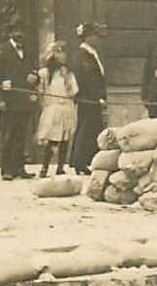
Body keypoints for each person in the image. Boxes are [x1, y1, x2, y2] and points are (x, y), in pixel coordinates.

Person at [0, 26, 37, 180]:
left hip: (24, 99)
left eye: (21, 31)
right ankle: (6, 170)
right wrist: (0, 99)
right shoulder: (2, 51)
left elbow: (34, 71)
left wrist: (35, 78)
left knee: (21, 135)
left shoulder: (28, 51)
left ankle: (19, 168)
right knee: (8, 135)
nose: (20, 34)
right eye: (16, 32)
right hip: (9, 100)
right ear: (10, 33)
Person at [35, 40, 79, 177]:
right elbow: (39, 89)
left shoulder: (69, 73)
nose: (63, 56)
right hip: (53, 108)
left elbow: (73, 91)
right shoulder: (45, 73)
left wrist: (67, 80)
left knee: (65, 138)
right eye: (59, 52)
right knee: (53, 139)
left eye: (64, 53)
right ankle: (45, 167)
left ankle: (60, 167)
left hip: (66, 107)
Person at [70, 21, 107, 174]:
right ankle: (79, 162)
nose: (96, 39)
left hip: (92, 98)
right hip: (88, 98)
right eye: (94, 36)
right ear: (87, 37)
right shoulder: (82, 54)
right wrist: (97, 97)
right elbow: (88, 78)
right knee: (86, 129)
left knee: (91, 128)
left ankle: (85, 161)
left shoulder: (90, 53)